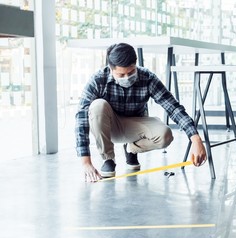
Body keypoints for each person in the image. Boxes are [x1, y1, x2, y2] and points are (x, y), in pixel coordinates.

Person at [75, 42, 207, 182]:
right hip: (110, 126)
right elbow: (81, 117)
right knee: (97, 106)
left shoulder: (147, 78)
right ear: (111, 69)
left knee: (165, 135)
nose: (127, 77)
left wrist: (195, 139)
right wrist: (86, 162)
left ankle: (131, 149)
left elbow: (173, 107)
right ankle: (108, 159)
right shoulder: (98, 80)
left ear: (136, 64)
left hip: (135, 127)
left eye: (131, 72)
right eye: (121, 74)